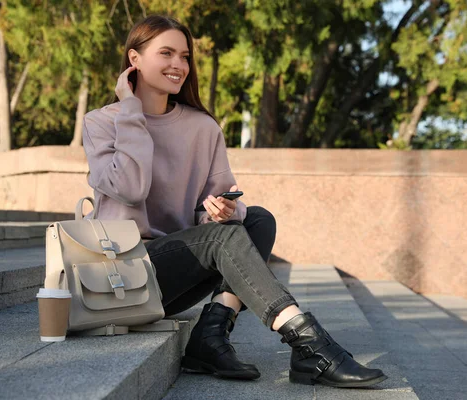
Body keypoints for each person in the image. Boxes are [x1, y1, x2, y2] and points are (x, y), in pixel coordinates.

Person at [82, 15, 387, 388]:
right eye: (166, 53)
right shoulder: (101, 123)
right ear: (134, 59)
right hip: (124, 274)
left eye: (185, 56)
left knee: (258, 219)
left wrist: (223, 210)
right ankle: (310, 344)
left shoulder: (202, 127)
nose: (178, 65)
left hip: (175, 273)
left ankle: (210, 336)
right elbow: (129, 187)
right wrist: (130, 110)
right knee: (222, 238)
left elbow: (220, 202)